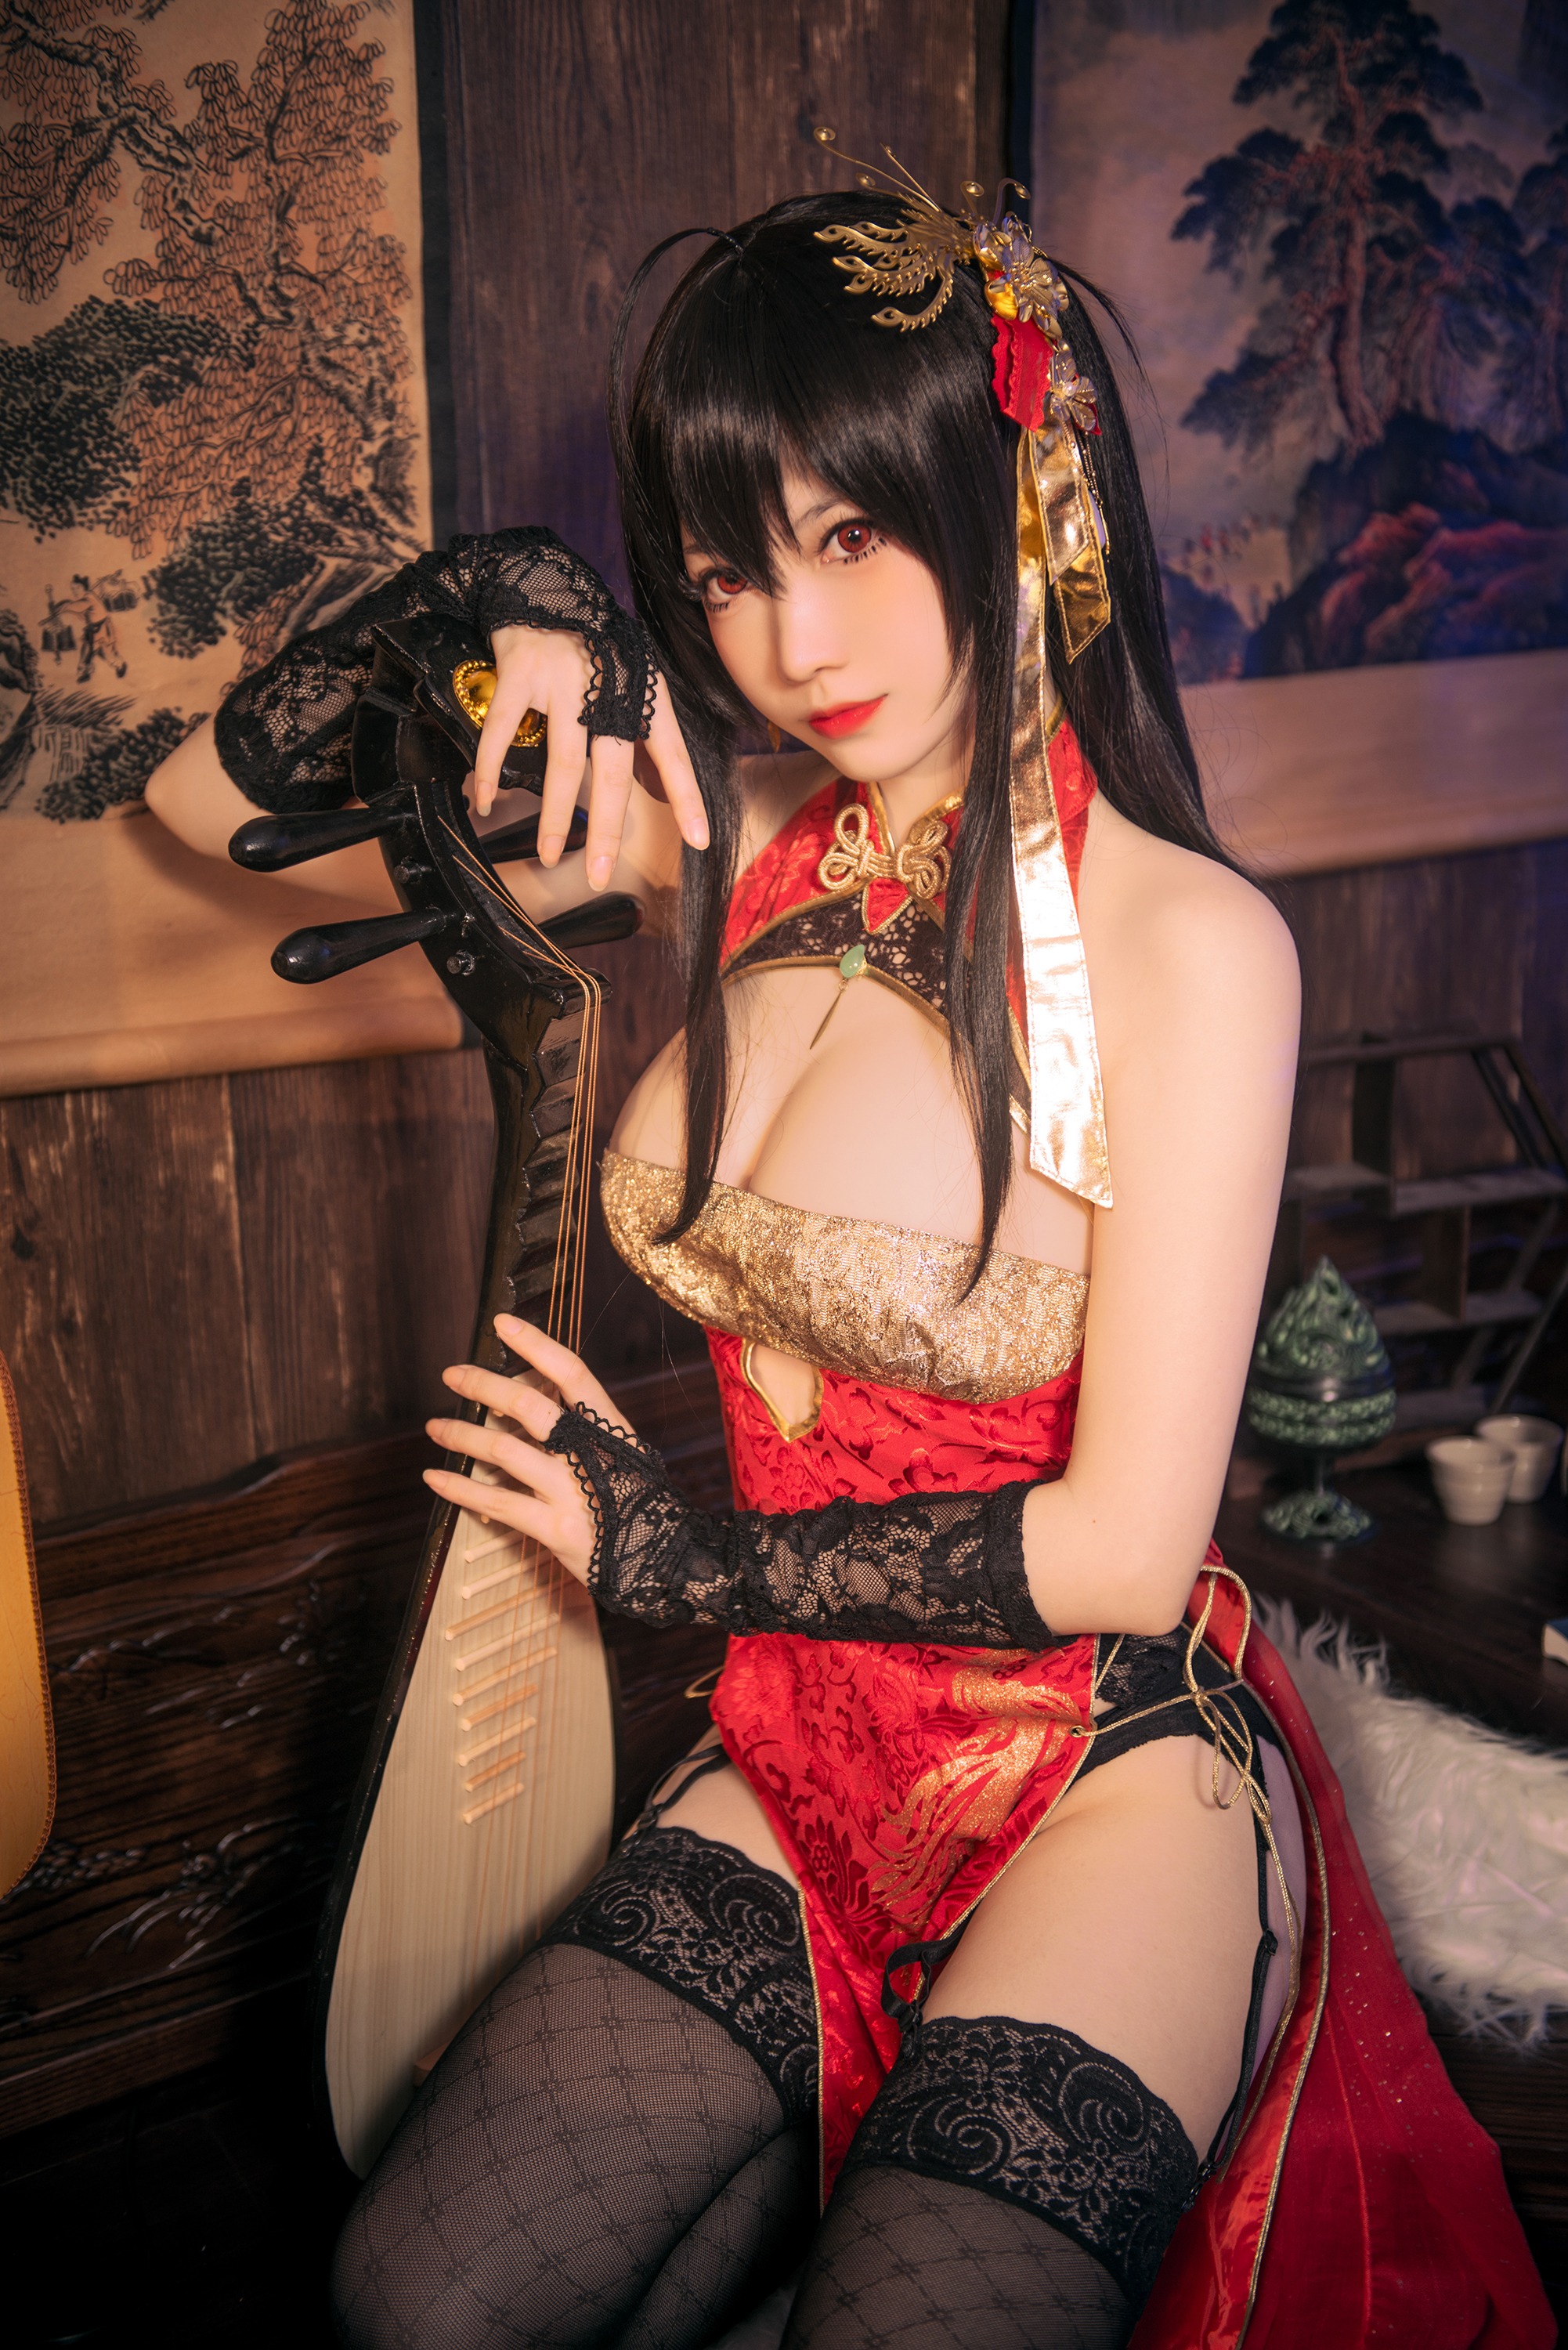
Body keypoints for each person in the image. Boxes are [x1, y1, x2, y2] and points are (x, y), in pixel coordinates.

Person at [146, 179, 1552, 2350]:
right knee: (415, 2294)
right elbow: (191, 800)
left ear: (1022, 497)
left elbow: (1120, 1551)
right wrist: (498, 614)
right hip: (804, 1745)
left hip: (1106, 1770)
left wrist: (664, 1550)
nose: (796, 643)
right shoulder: (713, 828)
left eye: (853, 535)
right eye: (728, 569)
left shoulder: (1190, 946)